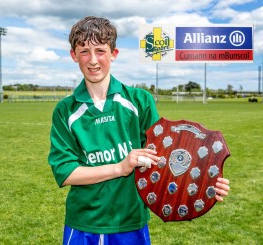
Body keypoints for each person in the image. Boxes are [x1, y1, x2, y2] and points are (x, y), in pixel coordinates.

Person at [48, 16, 230, 245]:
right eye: (84, 51)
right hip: (84, 223)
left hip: (131, 221)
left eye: (100, 50)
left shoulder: (139, 100)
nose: (93, 60)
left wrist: (206, 181)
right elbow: (65, 173)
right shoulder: (65, 110)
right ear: (74, 55)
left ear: (114, 54)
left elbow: (166, 158)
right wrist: (120, 167)